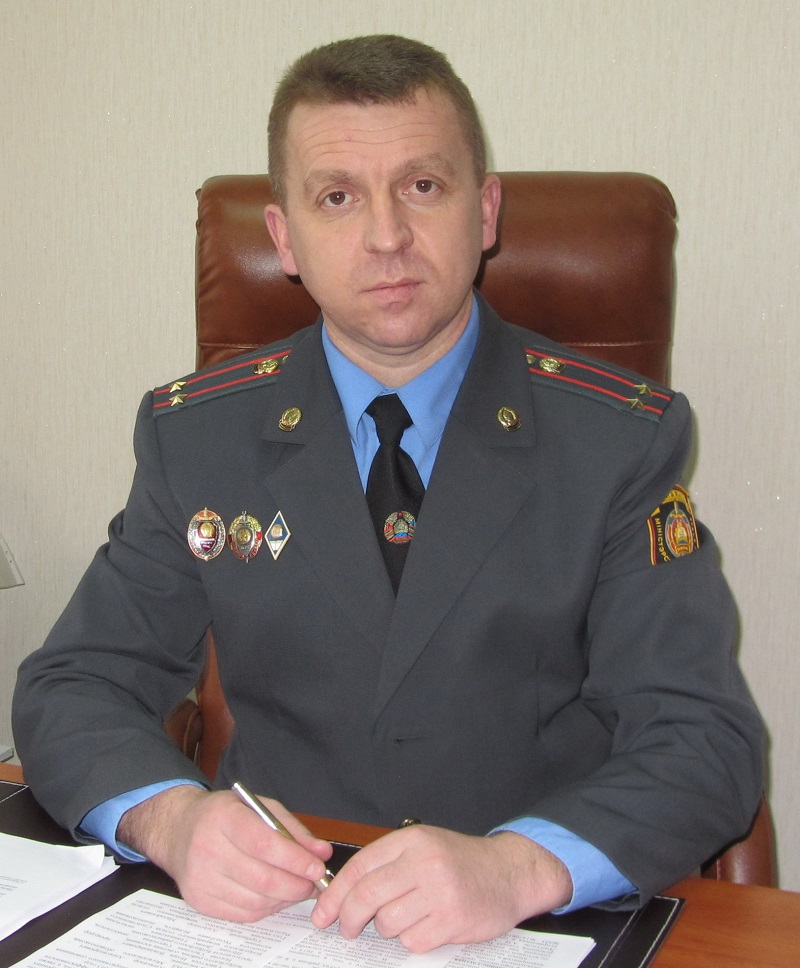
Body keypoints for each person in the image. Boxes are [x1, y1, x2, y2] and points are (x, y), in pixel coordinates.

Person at [13, 34, 764, 954]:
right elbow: (74, 685)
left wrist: (520, 866)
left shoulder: (617, 440)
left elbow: (705, 738)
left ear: (484, 212)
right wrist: (172, 819)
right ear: (283, 239)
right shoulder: (197, 435)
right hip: (284, 923)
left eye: (423, 186)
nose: (386, 237)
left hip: (533, 924)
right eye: (337, 197)